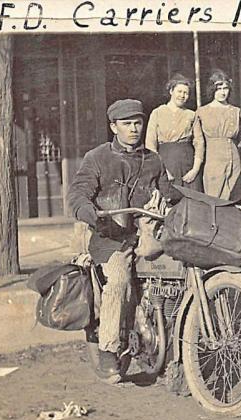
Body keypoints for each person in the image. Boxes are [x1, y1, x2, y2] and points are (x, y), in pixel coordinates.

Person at [67, 99, 175, 383]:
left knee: (181, 269)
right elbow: (78, 194)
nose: (133, 129)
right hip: (110, 238)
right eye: (126, 124)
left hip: (147, 233)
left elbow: (171, 192)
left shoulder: (153, 159)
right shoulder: (97, 158)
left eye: (138, 123)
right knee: (118, 279)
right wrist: (89, 211)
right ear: (113, 126)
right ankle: (107, 349)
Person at [183, 69, 241, 200]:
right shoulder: (202, 112)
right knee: (214, 198)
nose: (223, 92)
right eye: (219, 88)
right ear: (212, 90)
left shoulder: (236, 111)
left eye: (226, 88)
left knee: (233, 199)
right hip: (212, 160)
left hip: (233, 160)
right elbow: (197, 140)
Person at [145, 74, 203, 192]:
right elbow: (150, 145)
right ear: (171, 91)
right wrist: (163, 170)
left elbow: (199, 142)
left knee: (193, 201)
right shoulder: (157, 113)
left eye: (186, 93)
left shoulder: (191, 115)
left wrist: (195, 170)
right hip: (165, 162)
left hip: (188, 163)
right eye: (179, 91)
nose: (182, 96)